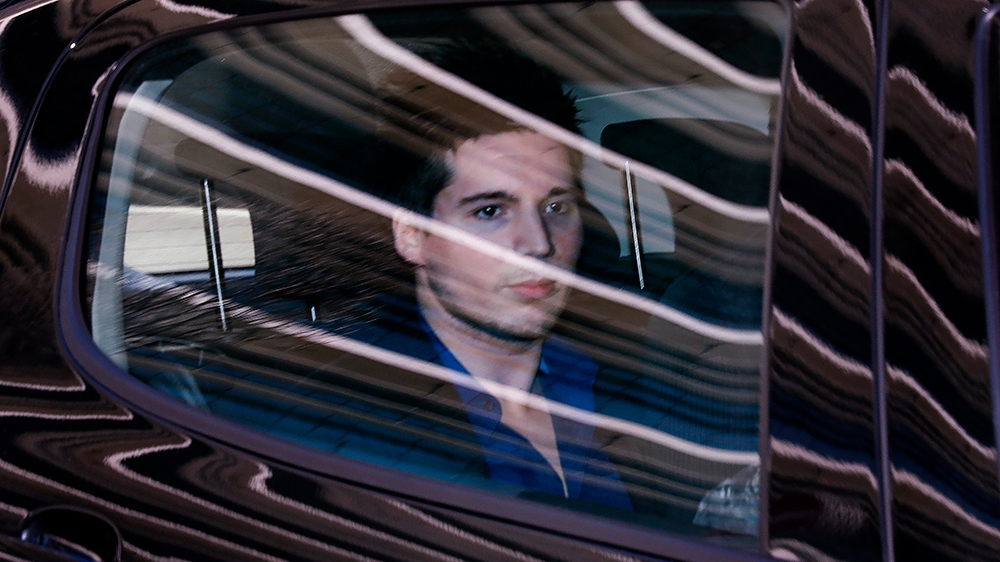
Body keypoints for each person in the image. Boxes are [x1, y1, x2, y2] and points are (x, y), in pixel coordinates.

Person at [363, 40, 633, 510]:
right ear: (411, 236)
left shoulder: (630, 380)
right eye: (491, 210)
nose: (539, 244)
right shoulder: (353, 423)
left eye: (556, 207)